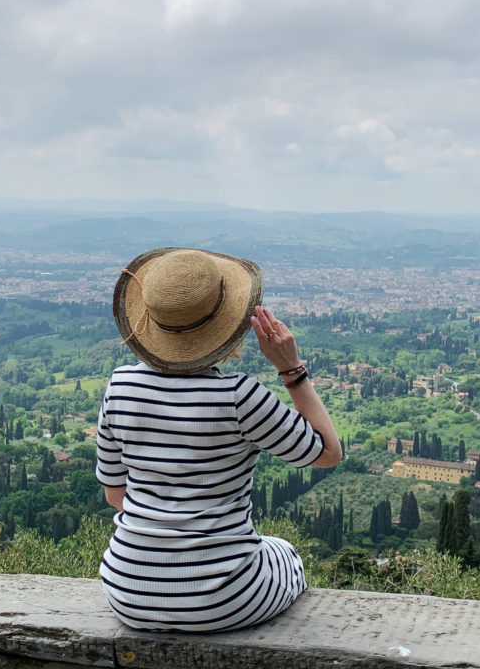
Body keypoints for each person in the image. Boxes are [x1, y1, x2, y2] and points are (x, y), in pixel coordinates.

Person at [95, 247, 341, 632]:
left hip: (127, 594)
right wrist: (292, 369)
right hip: (222, 599)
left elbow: (115, 496)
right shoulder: (238, 396)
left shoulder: (119, 386)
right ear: (231, 322)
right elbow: (327, 453)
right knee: (286, 553)